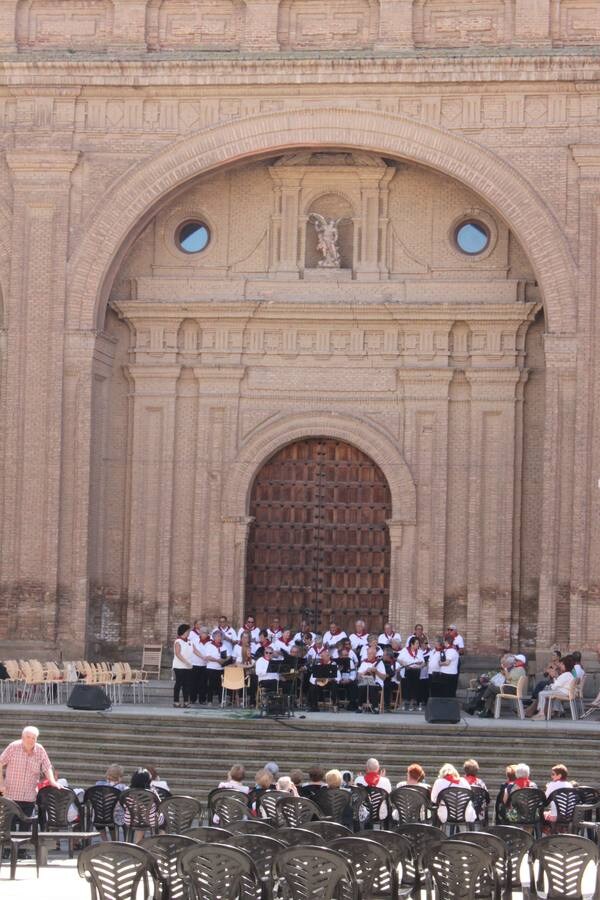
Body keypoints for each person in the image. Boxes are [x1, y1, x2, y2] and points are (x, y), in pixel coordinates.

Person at [0, 726, 61, 823]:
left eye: (34, 738)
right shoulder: (13, 747)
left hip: (29, 797)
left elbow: (47, 767)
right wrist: (1, 783)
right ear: (22, 737)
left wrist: (52, 781)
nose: (31, 740)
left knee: (26, 830)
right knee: (9, 829)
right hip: (11, 796)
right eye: (28, 737)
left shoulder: (40, 750)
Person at [532, 655, 576, 719]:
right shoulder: (569, 675)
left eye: (562, 665)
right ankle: (552, 711)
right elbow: (558, 684)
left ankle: (541, 713)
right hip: (565, 692)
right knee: (546, 691)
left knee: (541, 693)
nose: (560, 666)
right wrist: (555, 678)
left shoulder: (565, 675)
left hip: (563, 692)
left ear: (565, 666)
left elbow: (554, 686)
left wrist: (554, 677)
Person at [397, 636, 426, 711]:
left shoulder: (419, 651)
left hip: (416, 670)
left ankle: (414, 702)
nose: (418, 645)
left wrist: (420, 666)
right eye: (416, 643)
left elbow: (423, 662)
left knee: (416, 686)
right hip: (408, 670)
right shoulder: (404, 650)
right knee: (407, 685)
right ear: (412, 644)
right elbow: (399, 659)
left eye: (418, 643)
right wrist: (403, 663)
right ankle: (406, 702)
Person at [357, 646, 386, 711]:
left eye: (371, 654)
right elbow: (358, 676)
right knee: (361, 687)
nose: (369, 655)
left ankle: (375, 707)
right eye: (368, 653)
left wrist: (376, 671)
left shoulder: (380, 663)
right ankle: (360, 707)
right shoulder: (364, 662)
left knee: (372, 687)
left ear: (375, 654)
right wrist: (365, 671)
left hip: (377, 683)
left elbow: (384, 677)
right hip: (365, 682)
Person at [172, 623, 194, 708]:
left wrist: (203, 657)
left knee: (187, 684)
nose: (189, 632)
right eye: (188, 631)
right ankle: (176, 701)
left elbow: (195, 651)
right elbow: (178, 654)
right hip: (179, 666)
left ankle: (186, 701)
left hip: (188, 666)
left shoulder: (189, 641)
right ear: (184, 631)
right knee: (179, 683)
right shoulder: (178, 641)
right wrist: (186, 662)